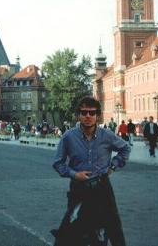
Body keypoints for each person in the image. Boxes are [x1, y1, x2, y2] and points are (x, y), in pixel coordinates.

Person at [52, 96, 130, 246]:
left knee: (113, 224)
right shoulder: (69, 137)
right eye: (84, 112)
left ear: (98, 116)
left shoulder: (106, 135)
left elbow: (125, 148)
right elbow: (58, 163)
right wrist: (75, 174)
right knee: (71, 225)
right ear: (78, 115)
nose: (88, 116)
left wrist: (113, 166)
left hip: (102, 186)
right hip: (79, 187)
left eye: (92, 113)